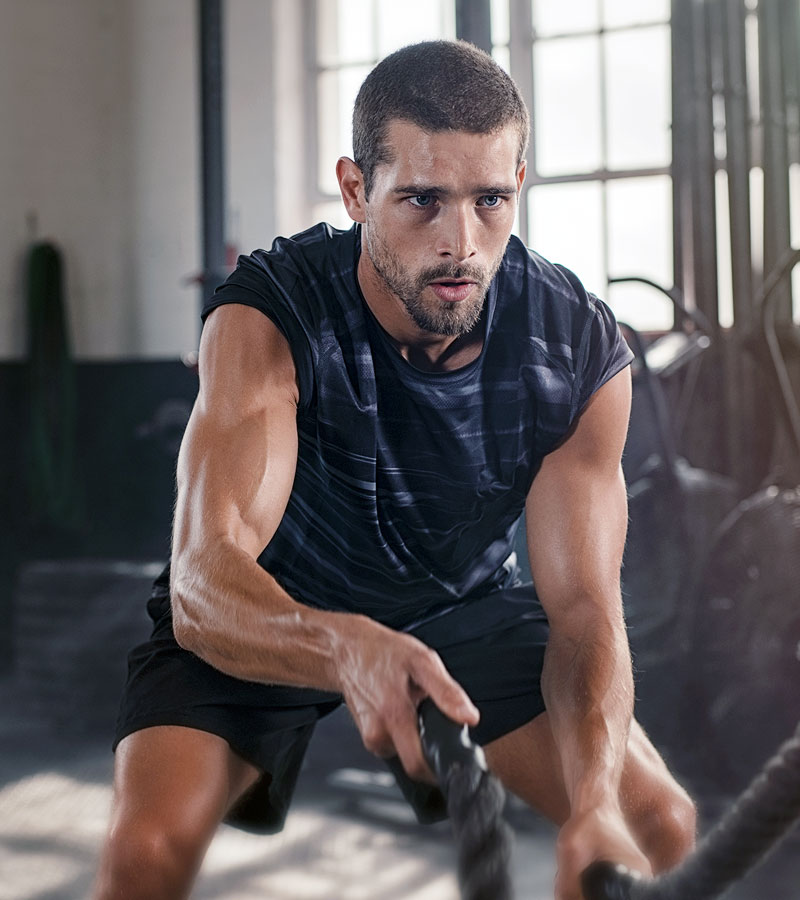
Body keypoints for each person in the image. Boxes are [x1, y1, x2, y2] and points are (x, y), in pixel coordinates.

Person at [93, 39, 696, 900]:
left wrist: (593, 800)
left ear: (517, 185)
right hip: (273, 599)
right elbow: (201, 581)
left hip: (458, 603)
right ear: (354, 190)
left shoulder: (576, 347)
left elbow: (585, 611)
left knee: (651, 828)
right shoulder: (272, 314)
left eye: (490, 199)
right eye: (422, 200)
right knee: (144, 855)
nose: (461, 244)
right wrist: (345, 647)